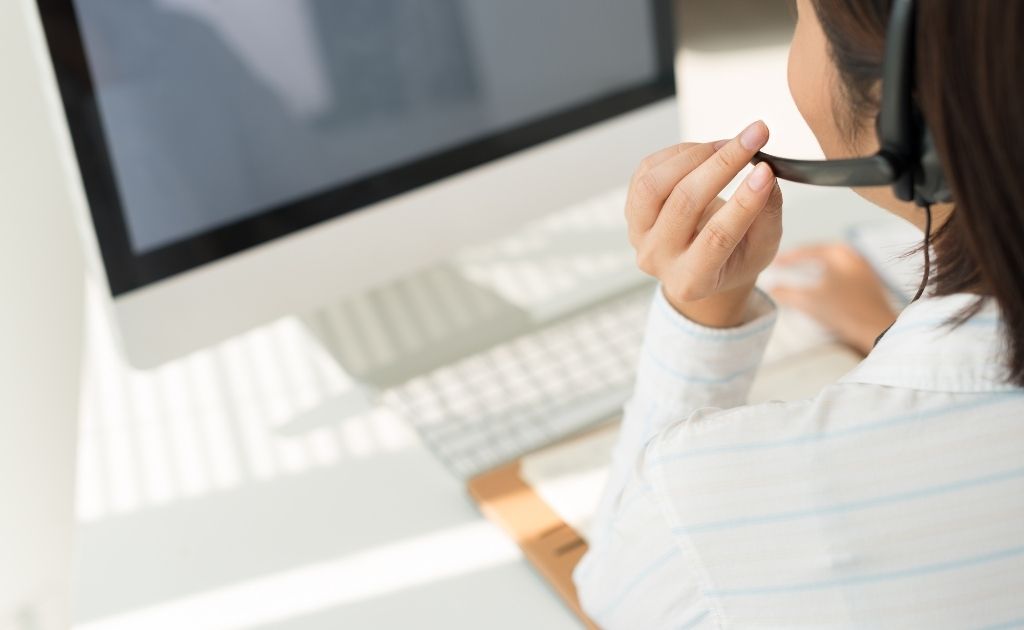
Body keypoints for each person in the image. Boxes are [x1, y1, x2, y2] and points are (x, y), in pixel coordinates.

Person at [574, 0, 1024, 627]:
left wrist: (701, 311)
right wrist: (882, 331)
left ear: (904, 115)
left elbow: (615, 593)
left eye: (802, 14)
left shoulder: (719, 505)